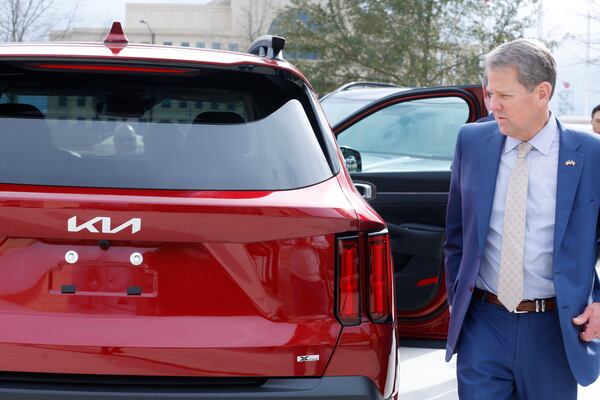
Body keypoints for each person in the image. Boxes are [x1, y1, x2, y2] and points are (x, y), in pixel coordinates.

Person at [444, 38, 600, 400]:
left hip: (556, 328)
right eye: (489, 93)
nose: (493, 105)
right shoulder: (471, 142)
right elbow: (455, 233)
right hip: (483, 322)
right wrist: (457, 298)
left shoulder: (591, 155)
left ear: (542, 92)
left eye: (505, 96)